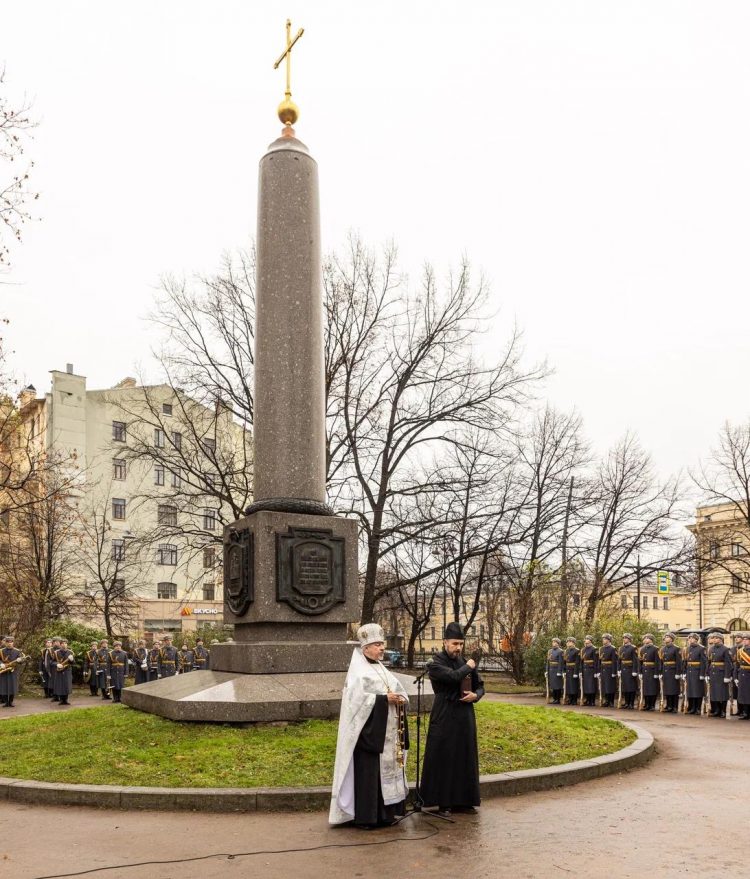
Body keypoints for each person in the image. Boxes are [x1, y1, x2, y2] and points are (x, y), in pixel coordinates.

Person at [329, 623, 409, 828]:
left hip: (387, 731)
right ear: (365, 648)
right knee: (369, 775)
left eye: (382, 644)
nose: (382, 648)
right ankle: (368, 817)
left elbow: (396, 689)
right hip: (368, 733)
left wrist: (399, 698)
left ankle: (386, 814)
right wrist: (383, 700)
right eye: (377, 644)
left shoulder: (380, 668)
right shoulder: (357, 671)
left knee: (386, 772)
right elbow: (355, 702)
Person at [420, 622, 484, 817]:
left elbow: (480, 685)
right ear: (445, 642)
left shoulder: (463, 661)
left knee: (465, 754)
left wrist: (477, 695)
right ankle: (443, 801)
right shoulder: (435, 663)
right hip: (445, 712)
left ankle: (464, 800)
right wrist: (470, 665)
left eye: (461, 644)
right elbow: (454, 677)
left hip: (464, 714)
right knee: (445, 755)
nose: (458, 648)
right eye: (455, 643)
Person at [707, 632, 733, 717]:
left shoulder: (725, 649)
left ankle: (723, 711)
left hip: (721, 674)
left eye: (716, 638)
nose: (714, 639)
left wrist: (727, 676)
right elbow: (709, 662)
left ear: (721, 639)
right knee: (714, 693)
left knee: (722, 693)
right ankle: (717, 710)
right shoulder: (711, 649)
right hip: (713, 673)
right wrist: (707, 674)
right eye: (713, 638)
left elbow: (728, 664)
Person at [684, 632, 708, 715]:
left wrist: (702, 674)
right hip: (689, 671)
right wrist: (684, 672)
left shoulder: (701, 648)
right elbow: (685, 661)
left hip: (697, 671)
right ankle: (691, 708)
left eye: (692, 638)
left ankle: (697, 708)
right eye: (689, 638)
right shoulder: (687, 649)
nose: (690, 640)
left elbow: (703, 662)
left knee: (697, 691)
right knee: (690, 690)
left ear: (696, 639)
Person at [659, 633, 683, 713]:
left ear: (672, 639)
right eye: (665, 637)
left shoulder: (676, 648)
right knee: (667, 689)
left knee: (674, 689)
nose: (666, 638)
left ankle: (674, 706)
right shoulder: (663, 649)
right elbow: (661, 662)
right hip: (665, 670)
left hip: (673, 671)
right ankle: (668, 705)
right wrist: (660, 672)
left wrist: (678, 673)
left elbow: (678, 662)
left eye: (668, 637)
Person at [0, 635, 24, 708]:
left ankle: (10, 702)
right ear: (5, 643)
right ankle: (6, 702)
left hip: (13, 672)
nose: (9, 643)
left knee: (12, 687)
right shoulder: (1, 651)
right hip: (3, 671)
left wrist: (20, 660)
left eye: (11, 642)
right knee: (3, 687)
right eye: (8, 642)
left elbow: (22, 660)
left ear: (13, 643)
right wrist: (1, 664)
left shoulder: (17, 651)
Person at [638, 634, 660, 711]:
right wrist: (640, 672)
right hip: (645, 670)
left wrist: (656, 673)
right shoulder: (642, 649)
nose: (645, 639)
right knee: (646, 688)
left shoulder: (655, 649)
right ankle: (647, 704)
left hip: (652, 670)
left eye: (647, 638)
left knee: (652, 688)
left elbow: (657, 662)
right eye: (645, 638)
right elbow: (640, 661)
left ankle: (652, 705)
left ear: (651, 640)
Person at [618, 633, 639, 709]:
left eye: (626, 638)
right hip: (623, 669)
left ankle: (631, 703)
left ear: (629, 639)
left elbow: (635, 660)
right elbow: (619, 660)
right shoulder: (621, 648)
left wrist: (634, 670)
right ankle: (626, 702)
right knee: (625, 687)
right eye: (623, 638)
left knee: (631, 687)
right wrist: (619, 669)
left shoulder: (633, 648)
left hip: (630, 669)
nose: (624, 639)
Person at [52, 638, 74, 706]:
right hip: (59, 671)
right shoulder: (56, 652)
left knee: (66, 685)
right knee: (60, 685)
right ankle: (61, 700)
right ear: (60, 645)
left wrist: (71, 660)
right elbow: (52, 661)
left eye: (65, 643)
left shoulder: (70, 652)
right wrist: (57, 664)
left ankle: (66, 700)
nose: (64, 645)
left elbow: (73, 663)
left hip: (67, 670)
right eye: (62, 643)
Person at [598, 633, 618, 708]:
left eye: (605, 639)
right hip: (603, 668)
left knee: (610, 686)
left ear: (609, 640)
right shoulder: (601, 649)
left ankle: (611, 701)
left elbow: (614, 661)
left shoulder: (613, 648)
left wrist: (614, 672)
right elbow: (599, 661)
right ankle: (606, 700)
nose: (603, 640)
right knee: (605, 686)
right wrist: (599, 671)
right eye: (603, 639)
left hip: (609, 669)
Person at [735, 633, 750, 720]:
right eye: (743, 639)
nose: (744, 641)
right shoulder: (740, 651)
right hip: (742, 674)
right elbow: (737, 665)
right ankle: (745, 712)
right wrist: (736, 677)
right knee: (743, 695)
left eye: (746, 639)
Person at [580, 635, 599, 706]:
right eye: (585, 639)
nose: (585, 640)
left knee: (592, 685)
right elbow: (581, 662)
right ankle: (587, 700)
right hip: (585, 669)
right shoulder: (583, 650)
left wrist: (596, 672)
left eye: (587, 639)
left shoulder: (594, 649)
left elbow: (596, 661)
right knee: (586, 686)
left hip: (591, 669)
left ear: (590, 640)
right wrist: (580, 671)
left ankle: (592, 701)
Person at [546, 638, 565, 704]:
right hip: (551, 670)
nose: (553, 643)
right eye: (553, 642)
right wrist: (547, 670)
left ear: (558, 643)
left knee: (558, 685)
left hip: (557, 670)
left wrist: (559, 671)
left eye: (555, 642)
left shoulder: (560, 651)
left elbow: (561, 662)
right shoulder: (550, 651)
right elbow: (548, 662)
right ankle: (554, 699)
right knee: (553, 686)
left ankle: (558, 699)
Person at [563, 637, 580, 706]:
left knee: (574, 685)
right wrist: (564, 670)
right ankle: (570, 699)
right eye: (567, 642)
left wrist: (576, 672)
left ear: (573, 642)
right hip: (568, 669)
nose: (567, 643)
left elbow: (577, 662)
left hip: (573, 669)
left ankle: (574, 700)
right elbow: (564, 662)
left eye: (569, 642)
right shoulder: (566, 651)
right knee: (569, 685)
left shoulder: (577, 651)